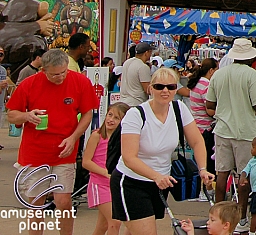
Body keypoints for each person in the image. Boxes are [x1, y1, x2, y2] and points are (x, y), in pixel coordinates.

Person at [8, 49, 100, 235]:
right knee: (36, 202)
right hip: (35, 152)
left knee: (64, 201)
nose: (60, 77)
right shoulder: (29, 84)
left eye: (63, 72)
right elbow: (11, 114)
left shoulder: (80, 81)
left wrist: (73, 137)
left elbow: (88, 113)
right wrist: (27, 115)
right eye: (55, 74)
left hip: (64, 150)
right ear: (43, 70)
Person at [112, 67, 214, 235]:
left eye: (171, 87)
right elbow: (129, 157)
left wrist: (202, 169)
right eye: (159, 86)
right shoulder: (136, 115)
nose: (165, 91)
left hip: (161, 182)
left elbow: (196, 141)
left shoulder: (179, 109)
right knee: (146, 231)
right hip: (131, 182)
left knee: (135, 230)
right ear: (150, 88)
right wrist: (156, 176)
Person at [206, 38, 256, 232]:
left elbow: (209, 104)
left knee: (221, 174)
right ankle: (241, 218)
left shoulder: (218, 74)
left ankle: (216, 215)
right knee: (244, 176)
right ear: (249, 57)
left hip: (222, 129)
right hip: (244, 131)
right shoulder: (251, 74)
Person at [83, 102, 131, 235]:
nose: (111, 120)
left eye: (116, 118)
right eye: (110, 115)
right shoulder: (97, 135)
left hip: (115, 185)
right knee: (115, 222)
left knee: (102, 225)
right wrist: (106, 173)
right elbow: (86, 162)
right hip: (99, 184)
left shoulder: (124, 138)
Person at [186, 58, 218, 174]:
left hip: (197, 126)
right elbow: (209, 110)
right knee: (207, 164)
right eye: (216, 69)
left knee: (199, 161)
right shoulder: (206, 85)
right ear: (211, 70)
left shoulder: (196, 82)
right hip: (206, 129)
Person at [120, 42, 154, 107]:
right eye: (150, 52)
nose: (150, 55)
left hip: (123, 102)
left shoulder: (127, 62)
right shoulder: (143, 67)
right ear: (146, 53)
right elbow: (147, 89)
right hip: (136, 103)